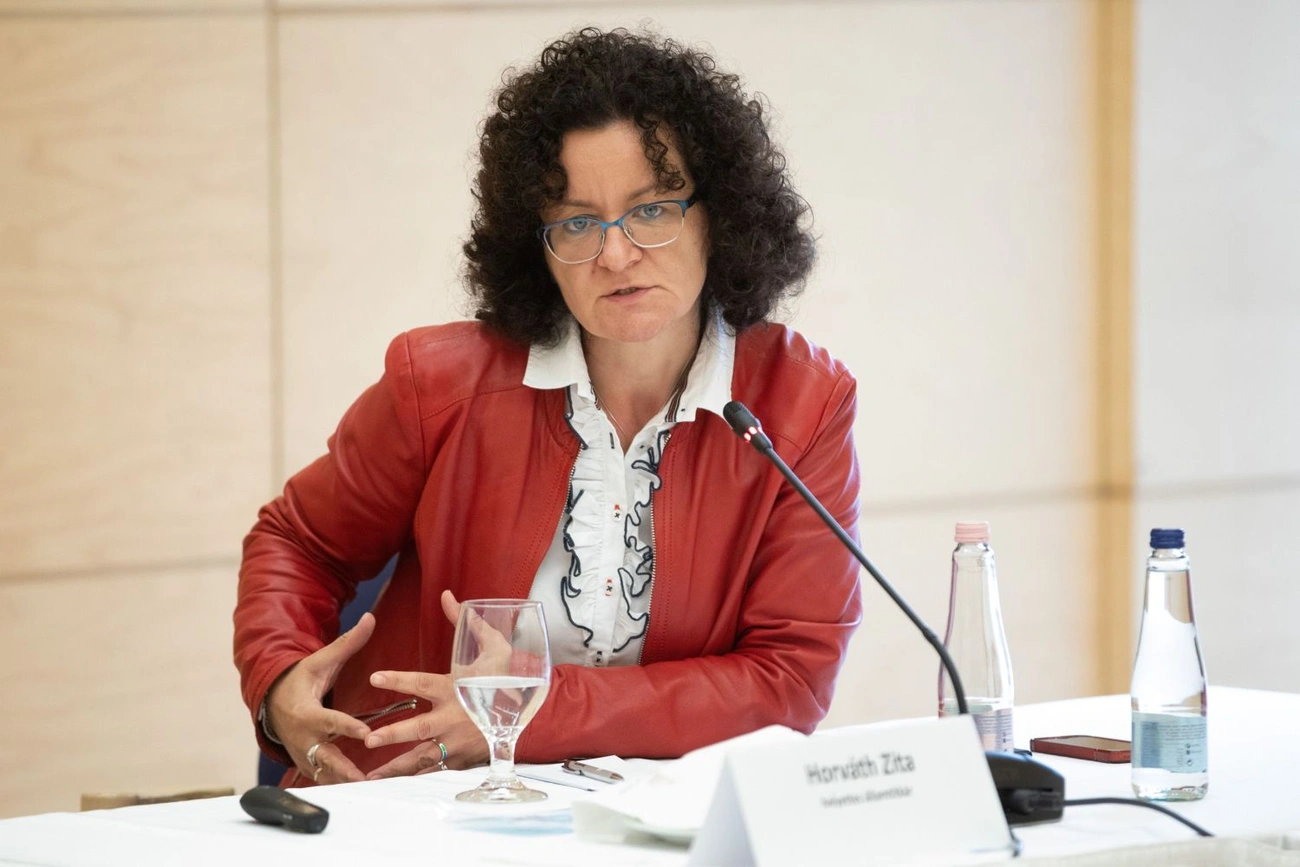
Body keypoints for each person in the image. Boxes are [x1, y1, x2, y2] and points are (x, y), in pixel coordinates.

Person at [234, 26, 863, 787]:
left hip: (662, 819)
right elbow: (299, 543)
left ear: (719, 215)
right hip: (420, 802)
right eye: (577, 222)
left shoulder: (801, 407)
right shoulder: (439, 384)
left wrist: (531, 708)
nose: (616, 255)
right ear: (538, 244)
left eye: (652, 210)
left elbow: (789, 680)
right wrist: (279, 681)